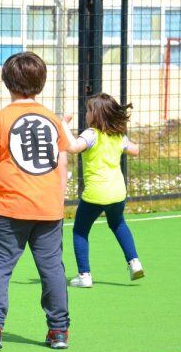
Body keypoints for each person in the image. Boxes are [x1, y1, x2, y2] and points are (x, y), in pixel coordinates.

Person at [0, 52, 70, 351]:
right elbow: (62, 163)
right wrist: (57, 198)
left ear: (6, 82)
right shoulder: (52, 119)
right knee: (52, 268)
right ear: (41, 83)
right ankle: (58, 331)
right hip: (48, 206)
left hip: (9, 206)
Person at [60, 92, 143, 288]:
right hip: (117, 192)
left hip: (96, 193)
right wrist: (125, 137)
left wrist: (63, 123)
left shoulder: (90, 134)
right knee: (118, 224)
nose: (86, 114)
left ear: (96, 115)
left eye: (89, 110)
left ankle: (84, 275)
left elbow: (72, 147)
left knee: (80, 231)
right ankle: (134, 262)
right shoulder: (117, 135)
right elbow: (135, 150)